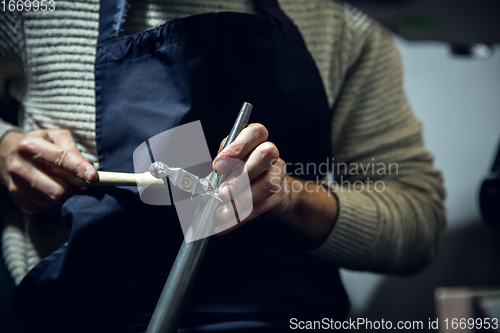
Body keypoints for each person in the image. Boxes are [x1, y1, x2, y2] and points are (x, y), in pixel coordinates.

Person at [0, 0, 446, 332]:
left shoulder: (343, 23)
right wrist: (4, 148)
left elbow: (417, 225)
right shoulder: (31, 10)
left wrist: (291, 196)